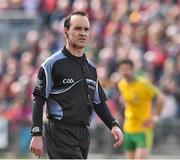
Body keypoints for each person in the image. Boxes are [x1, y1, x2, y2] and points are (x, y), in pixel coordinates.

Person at [29, 11, 124, 159]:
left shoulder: (91, 68)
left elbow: (98, 102)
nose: (83, 33)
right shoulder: (52, 64)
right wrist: (36, 133)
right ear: (66, 32)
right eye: (78, 28)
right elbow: (38, 99)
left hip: (83, 132)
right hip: (60, 131)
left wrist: (113, 124)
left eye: (86, 29)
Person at [117, 59, 165, 159]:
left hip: (143, 129)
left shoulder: (143, 84)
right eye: (122, 70)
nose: (125, 72)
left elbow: (161, 98)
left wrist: (155, 118)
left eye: (127, 69)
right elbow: (124, 98)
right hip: (128, 128)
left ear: (133, 70)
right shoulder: (121, 84)